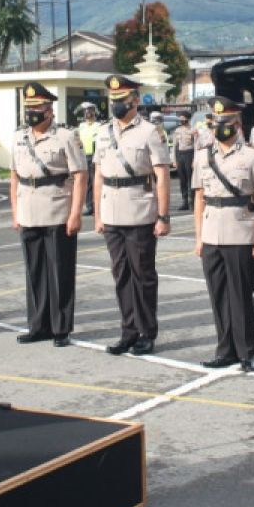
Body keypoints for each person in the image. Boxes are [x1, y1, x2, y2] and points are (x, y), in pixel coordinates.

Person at [192, 96, 254, 372]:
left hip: (241, 233)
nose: (220, 127)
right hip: (212, 232)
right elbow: (199, 198)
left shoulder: (252, 155)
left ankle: (246, 352)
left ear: (237, 124)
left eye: (225, 122)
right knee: (218, 296)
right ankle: (224, 350)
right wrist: (198, 237)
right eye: (215, 123)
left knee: (240, 295)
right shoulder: (202, 156)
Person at [95, 74, 172, 356]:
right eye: (113, 100)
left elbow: (162, 176)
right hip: (111, 210)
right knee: (121, 275)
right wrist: (98, 214)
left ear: (135, 101)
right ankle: (128, 330)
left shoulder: (150, 132)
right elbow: (97, 175)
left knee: (142, 275)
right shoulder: (104, 132)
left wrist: (163, 216)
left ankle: (146, 332)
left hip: (140, 210)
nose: (116, 105)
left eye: (122, 100)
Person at [10, 83, 86, 347]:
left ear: (49, 109)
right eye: (28, 107)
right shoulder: (19, 137)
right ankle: (38, 325)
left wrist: (76, 212)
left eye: (36, 107)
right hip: (28, 209)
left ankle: (61, 327)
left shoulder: (65, 136)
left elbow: (79, 176)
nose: (31, 112)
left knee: (59, 270)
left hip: (57, 209)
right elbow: (14, 176)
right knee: (35, 271)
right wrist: (15, 210)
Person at [78, 102, 102, 216]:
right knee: (87, 183)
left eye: (90, 111)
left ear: (94, 112)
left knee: (96, 181)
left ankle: (98, 206)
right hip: (84, 156)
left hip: (95, 156)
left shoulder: (99, 126)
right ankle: (89, 206)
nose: (87, 113)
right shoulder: (81, 126)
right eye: (86, 111)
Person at [172, 111, 196, 211]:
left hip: (190, 154)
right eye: (180, 118)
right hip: (180, 155)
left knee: (191, 179)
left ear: (187, 119)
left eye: (183, 118)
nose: (181, 120)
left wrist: (195, 160)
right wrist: (174, 160)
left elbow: (196, 146)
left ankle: (192, 202)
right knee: (182, 180)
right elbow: (174, 146)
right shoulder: (177, 130)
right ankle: (184, 201)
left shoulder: (193, 130)